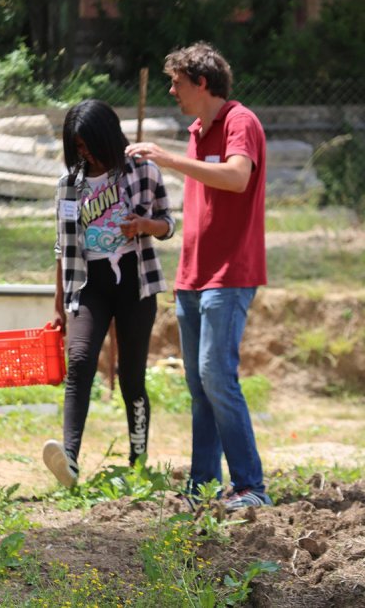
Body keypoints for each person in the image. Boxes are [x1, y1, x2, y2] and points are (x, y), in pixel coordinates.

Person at [126, 42, 271, 510]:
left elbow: (236, 177)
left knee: (216, 376)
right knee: (199, 386)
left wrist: (165, 159)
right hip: (193, 276)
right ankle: (205, 486)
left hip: (230, 275)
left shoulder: (239, 122)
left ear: (201, 83)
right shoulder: (197, 129)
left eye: (178, 82)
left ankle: (250, 486)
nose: (172, 91)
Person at [42, 99, 175, 489]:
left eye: (89, 144)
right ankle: (69, 461)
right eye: (77, 147)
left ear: (108, 138)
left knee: (132, 377)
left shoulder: (143, 171)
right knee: (80, 361)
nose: (85, 154)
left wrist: (145, 225)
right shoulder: (68, 186)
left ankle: (139, 461)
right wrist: (59, 301)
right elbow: (62, 247)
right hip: (88, 284)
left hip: (136, 283)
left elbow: (168, 225)